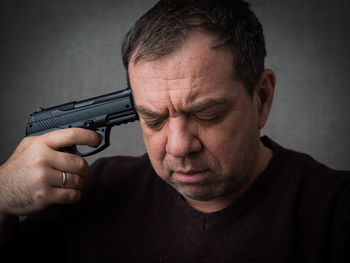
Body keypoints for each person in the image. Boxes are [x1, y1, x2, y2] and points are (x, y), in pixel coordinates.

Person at [0, 0, 349, 262]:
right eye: (153, 120)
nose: (179, 146)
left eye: (207, 114)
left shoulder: (335, 210)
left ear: (261, 97)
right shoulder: (91, 187)